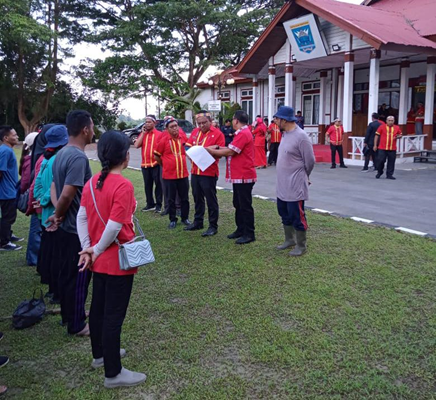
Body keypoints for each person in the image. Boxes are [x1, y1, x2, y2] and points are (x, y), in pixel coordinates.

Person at [77, 130, 146, 389]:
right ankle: (113, 373)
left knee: (98, 309)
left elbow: (81, 218)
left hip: (98, 260)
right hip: (116, 260)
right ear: (126, 157)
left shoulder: (92, 181)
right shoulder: (124, 185)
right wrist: (94, 249)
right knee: (113, 316)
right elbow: (115, 226)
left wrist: (88, 248)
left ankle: (100, 356)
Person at [46, 110, 94, 336]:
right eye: (92, 127)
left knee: (68, 274)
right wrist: (59, 213)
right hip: (77, 229)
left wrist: (58, 214)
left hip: (67, 226)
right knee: (78, 278)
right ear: (85, 130)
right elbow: (66, 193)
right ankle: (77, 325)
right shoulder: (77, 157)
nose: (94, 131)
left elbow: (55, 189)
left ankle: (69, 315)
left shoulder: (61, 154)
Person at [206, 110, 257, 245]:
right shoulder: (242, 133)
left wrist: (212, 151)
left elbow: (231, 151)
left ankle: (249, 233)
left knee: (245, 205)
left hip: (244, 175)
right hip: (239, 175)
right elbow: (230, 147)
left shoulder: (243, 133)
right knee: (238, 203)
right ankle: (241, 229)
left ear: (235, 121)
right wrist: (217, 147)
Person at [33, 125, 69, 304]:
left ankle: (52, 289)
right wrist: (47, 199)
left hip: (45, 213)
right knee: (58, 255)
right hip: (56, 212)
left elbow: (38, 182)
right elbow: (54, 186)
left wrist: (40, 198)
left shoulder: (45, 158)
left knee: (50, 252)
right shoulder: (58, 159)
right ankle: (57, 292)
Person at [274, 106, 315, 256]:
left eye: (277, 119)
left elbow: (310, 161)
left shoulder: (301, 136)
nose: (275, 121)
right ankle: (289, 239)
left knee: (297, 215)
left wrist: (304, 176)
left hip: (295, 185)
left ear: (284, 120)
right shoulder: (284, 134)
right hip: (282, 184)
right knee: (283, 212)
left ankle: (301, 245)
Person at [185, 110, 225, 236]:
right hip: (195, 171)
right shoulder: (195, 132)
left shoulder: (217, 134)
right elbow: (187, 146)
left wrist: (208, 151)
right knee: (197, 197)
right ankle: (198, 222)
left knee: (210, 199)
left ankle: (213, 226)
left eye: (204, 123)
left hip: (209, 172)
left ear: (210, 121)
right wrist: (191, 154)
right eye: (199, 123)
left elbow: (221, 151)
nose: (201, 125)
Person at [154, 118, 191, 229]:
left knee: (185, 198)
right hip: (169, 175)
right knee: (170, 199)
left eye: (176, 126)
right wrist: (165, 164)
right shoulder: (164, 140)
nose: (175, 128)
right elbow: (156, 156)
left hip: (183, 174)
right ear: (167, 129)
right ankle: (173, 219)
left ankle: (185, 218)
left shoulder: (183, 138)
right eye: (172, 127)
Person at [0, 126, 23, 251]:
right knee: (8, 216)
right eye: (14, 135)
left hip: (9, 190)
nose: (17, 137)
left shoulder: (7, 150)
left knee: (9, 216)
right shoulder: (5, 151)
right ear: (6, 138)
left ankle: (7, 234)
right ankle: (4, 242)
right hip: (6, 192)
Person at [134, 115, 163, 213]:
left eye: (149, 122)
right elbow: (136, 145)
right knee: (147, 185)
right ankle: (150, 204)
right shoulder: (143, 134)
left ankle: (158, 205)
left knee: (158, 185)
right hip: (145, 165)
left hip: (156, 164)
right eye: (146, 122)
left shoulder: (159, 134)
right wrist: (142, 133)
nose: (147, 124)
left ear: (154, 123)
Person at [374, 115, 402, 180]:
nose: (390, 122)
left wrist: (398, 136)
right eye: (389, 120)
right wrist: (375, 145)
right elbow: (376, 136)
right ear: (386, 121)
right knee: (380, 160)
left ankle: (389, 174)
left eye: (392, 121)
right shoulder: (382, 127)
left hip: (392, 148)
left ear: (394, 121)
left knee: (391, 162)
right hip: (382, 148)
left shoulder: (397, 127)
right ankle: (380, 171)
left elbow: (400, 135)